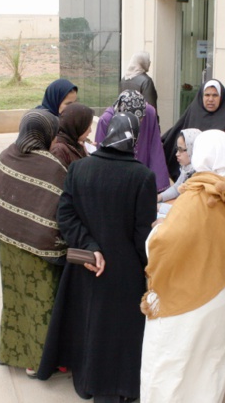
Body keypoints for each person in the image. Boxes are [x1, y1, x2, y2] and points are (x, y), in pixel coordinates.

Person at [140, 129, 225, 403]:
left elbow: (160, 245)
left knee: (169, 369)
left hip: (184, 300)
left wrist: (157, 230)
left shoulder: (196, 195)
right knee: (210, 367)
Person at [38, 112, 157, 402]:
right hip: (124, 271)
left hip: (86, 266)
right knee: (118, 331)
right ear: (134, 140)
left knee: (89, 324)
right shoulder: (143, 177)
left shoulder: (79, 169)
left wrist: (90, 246)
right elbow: (143, 233)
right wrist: (150, 267)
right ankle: (119, 387)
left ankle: (88, 381)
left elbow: (65, 215)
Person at [0, 109, 68, 377]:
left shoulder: (8, 153)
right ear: (46, 134)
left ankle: (9, 352)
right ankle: (37, 362)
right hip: (38, 249)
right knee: (41, 301)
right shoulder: (52, 166)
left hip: (8, 245)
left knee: (14, 298)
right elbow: (60, 210)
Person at [161, 79, 225, 185]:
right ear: (201, 96)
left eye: (215, 95)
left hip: (221, 183)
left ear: (221, 97)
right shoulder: (193, 114)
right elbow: (174, 136)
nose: (210, 99)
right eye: (207, 95)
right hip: (193, 180)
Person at [94, 90, 169, 192]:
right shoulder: (106, 120)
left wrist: (158, 185)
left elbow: (155, 147)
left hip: (142, 170)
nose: (136, 126)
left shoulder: (149, 113)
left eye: (140, 120)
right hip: (116, 174)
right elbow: (101, 154)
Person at [157, 128, 201, 203]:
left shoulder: (200, 174)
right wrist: (159, 197)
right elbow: (176, 188)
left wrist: (159, 207)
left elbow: (188, 206)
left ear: (193, 149)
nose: (177, 154)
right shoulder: (187, 169)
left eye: (181, 150)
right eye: (177, 149)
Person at [50, 102, 94, 169]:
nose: (90, 131)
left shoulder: (76, 144)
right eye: (88, 126)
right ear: (78, 125)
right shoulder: (59, 150)